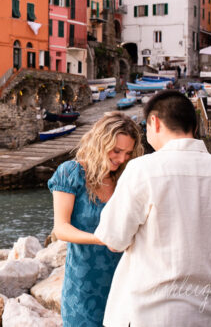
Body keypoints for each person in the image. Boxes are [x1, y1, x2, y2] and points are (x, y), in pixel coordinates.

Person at [94, 90, 211, 327]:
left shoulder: (142, 170)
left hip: (149, 314)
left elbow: (113, 240)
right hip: (209, 315)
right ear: (194, 127)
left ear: (154, 122)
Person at [47, 112, 144, 327]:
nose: (121, 159)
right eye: (116, 151)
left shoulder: (127, 179)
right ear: (100, 142)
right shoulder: (70, 173)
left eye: (128, 153)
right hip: (83, 285)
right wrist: (101, 239)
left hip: (126, 282)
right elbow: (61, 229)